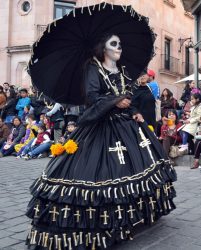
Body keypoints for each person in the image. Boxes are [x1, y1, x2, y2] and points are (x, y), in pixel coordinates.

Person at [25, 33, 177, 248]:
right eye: (114, 44)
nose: (119, 48)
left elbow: (126, 95)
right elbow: (93, 97)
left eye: (120, 44)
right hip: (101, 125)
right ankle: (103, 224)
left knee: (136, 169)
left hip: (127, 126)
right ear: (103, 48)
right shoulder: (92, 68)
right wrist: (116, 102)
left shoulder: (122, 70)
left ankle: (133, 216)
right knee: (103, 173)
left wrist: (133, 110)